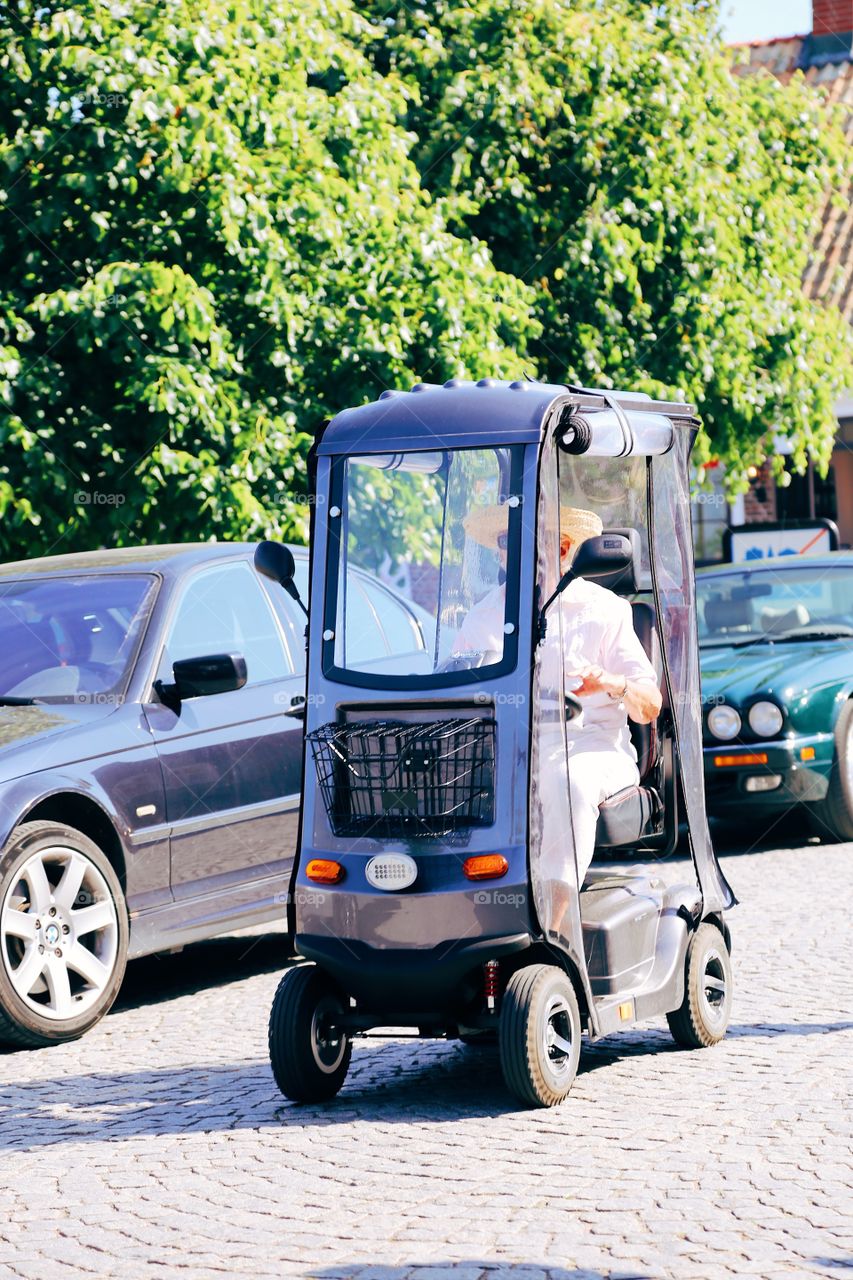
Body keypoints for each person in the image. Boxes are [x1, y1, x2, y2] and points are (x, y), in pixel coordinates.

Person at [456, 501, 661, 887]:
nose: (508, 550)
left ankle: (555, 921)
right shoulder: (482, 615)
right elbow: (452, 687)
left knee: (568, 781)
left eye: (522, 539)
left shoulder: (605, 610)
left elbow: (649, 706)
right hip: (507, 751)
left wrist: (610, 683)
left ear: (563, 548)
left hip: (591, 748)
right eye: (504, 540)